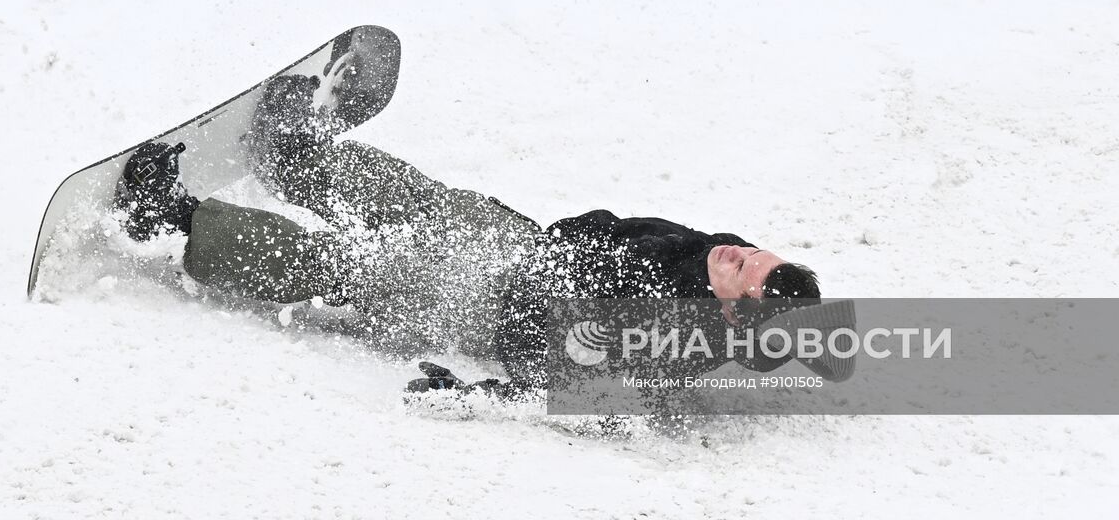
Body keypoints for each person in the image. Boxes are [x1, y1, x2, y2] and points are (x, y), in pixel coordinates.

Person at [115, 76, 822, 394]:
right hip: (522, 248)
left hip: (485, 301)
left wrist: (480, 392)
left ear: (732, 312)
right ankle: (296, 155)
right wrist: (564, 240)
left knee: (354, 264)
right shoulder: (710, 252)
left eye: (748, 274)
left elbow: (586, 385)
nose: (741, 254)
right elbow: (611, 229)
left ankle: (176, 218)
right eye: (761, 254)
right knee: (417, 198)